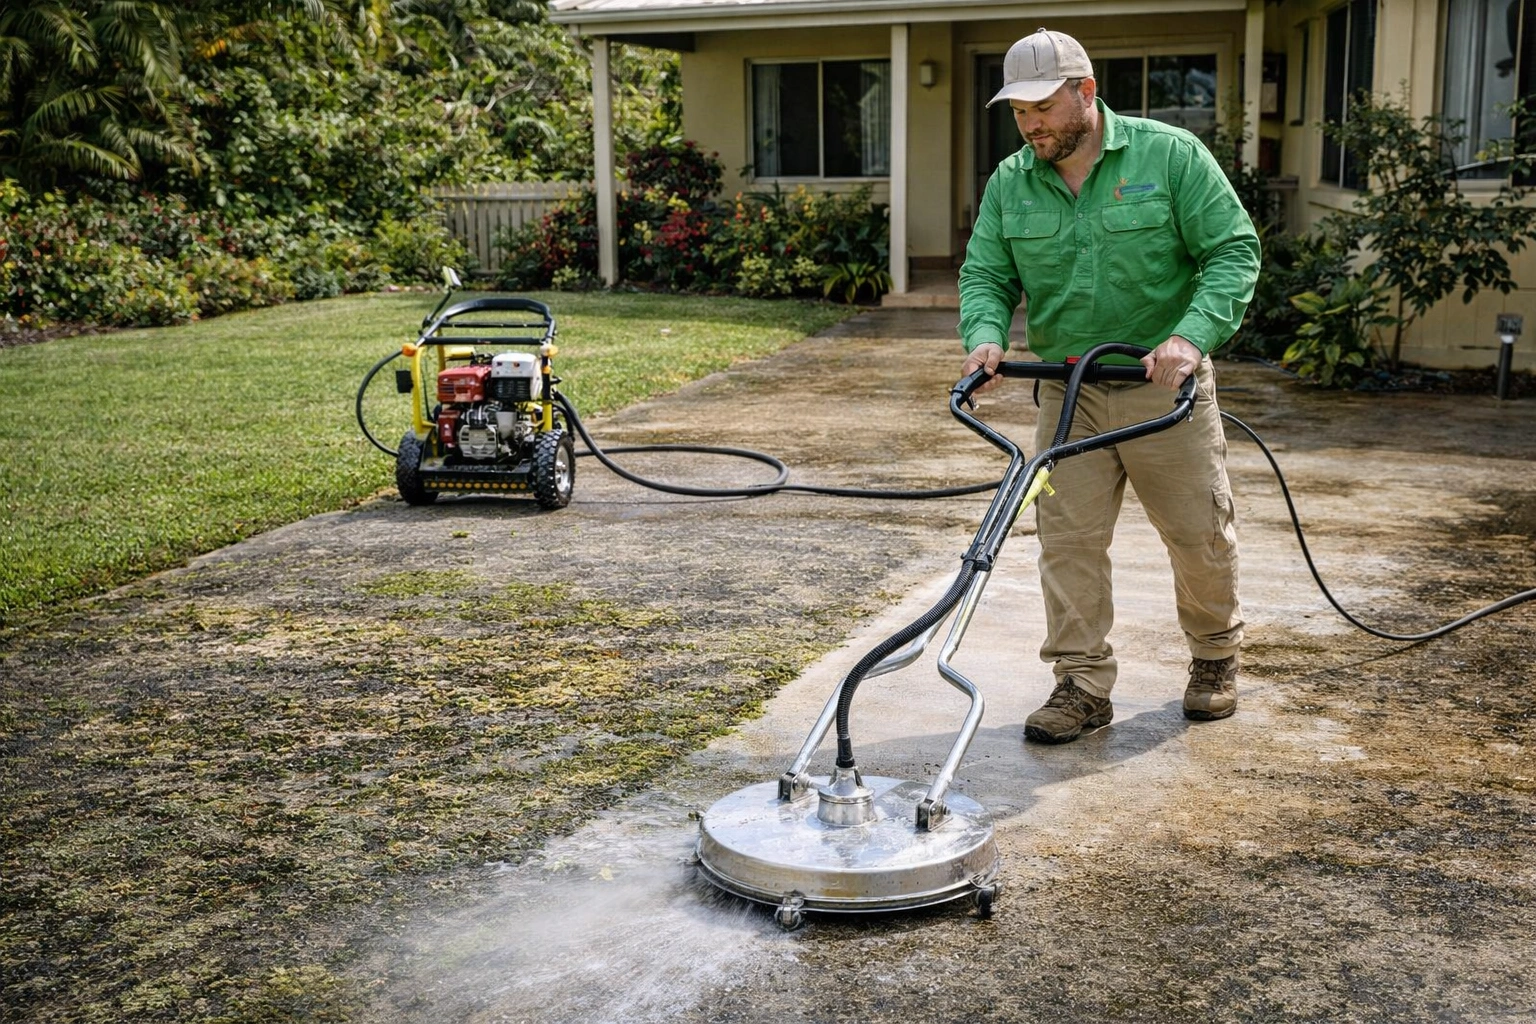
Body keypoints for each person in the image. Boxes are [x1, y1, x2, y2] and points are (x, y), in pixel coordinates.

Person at [957, 27, 1261, 744]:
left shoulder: (1171, 156)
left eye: (1041, 108)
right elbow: (986, 274)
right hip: (1070, 392)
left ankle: (1215, 656)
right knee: (1066, 541)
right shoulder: (1011, 181)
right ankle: (1082, 684)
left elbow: (1232, 250)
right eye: (1018, 111)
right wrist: (987, 335)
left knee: (1196, 535)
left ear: (1085, 93)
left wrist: (1189, 337)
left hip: (1166, 389)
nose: (1029, 124)